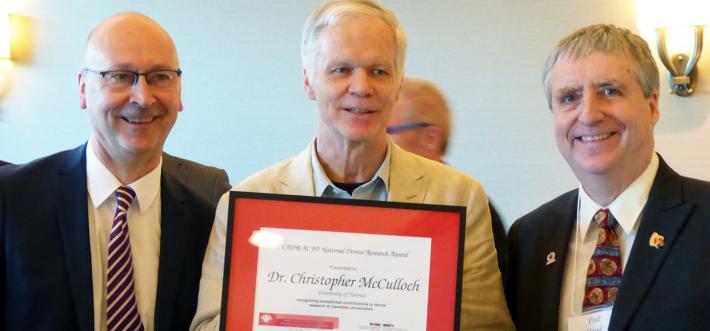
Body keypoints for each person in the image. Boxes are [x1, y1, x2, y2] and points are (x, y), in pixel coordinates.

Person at [191, 1, 513, 330]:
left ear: (398, 84)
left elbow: (487, 327)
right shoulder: (247, 203)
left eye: (379, 71)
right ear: (308, 81)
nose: (361, 88)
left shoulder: (459, 198)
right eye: (341, 69)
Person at [0, 12, 231, 330]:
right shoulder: (11, 200)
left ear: (179, 91)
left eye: (160, 77)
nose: (143, 97)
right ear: (83, 89)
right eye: (120, 76)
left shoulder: (210, 222)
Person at [505, 24, 710, 331]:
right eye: (569, 97)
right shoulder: (529, 238)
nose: (588, 114)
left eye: (609, 91)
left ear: (652, 106)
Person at [387, 77, 508, 278]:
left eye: (387, 131)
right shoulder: (381, 199)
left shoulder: (470, 208)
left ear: (430, 138)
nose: (376, 143)